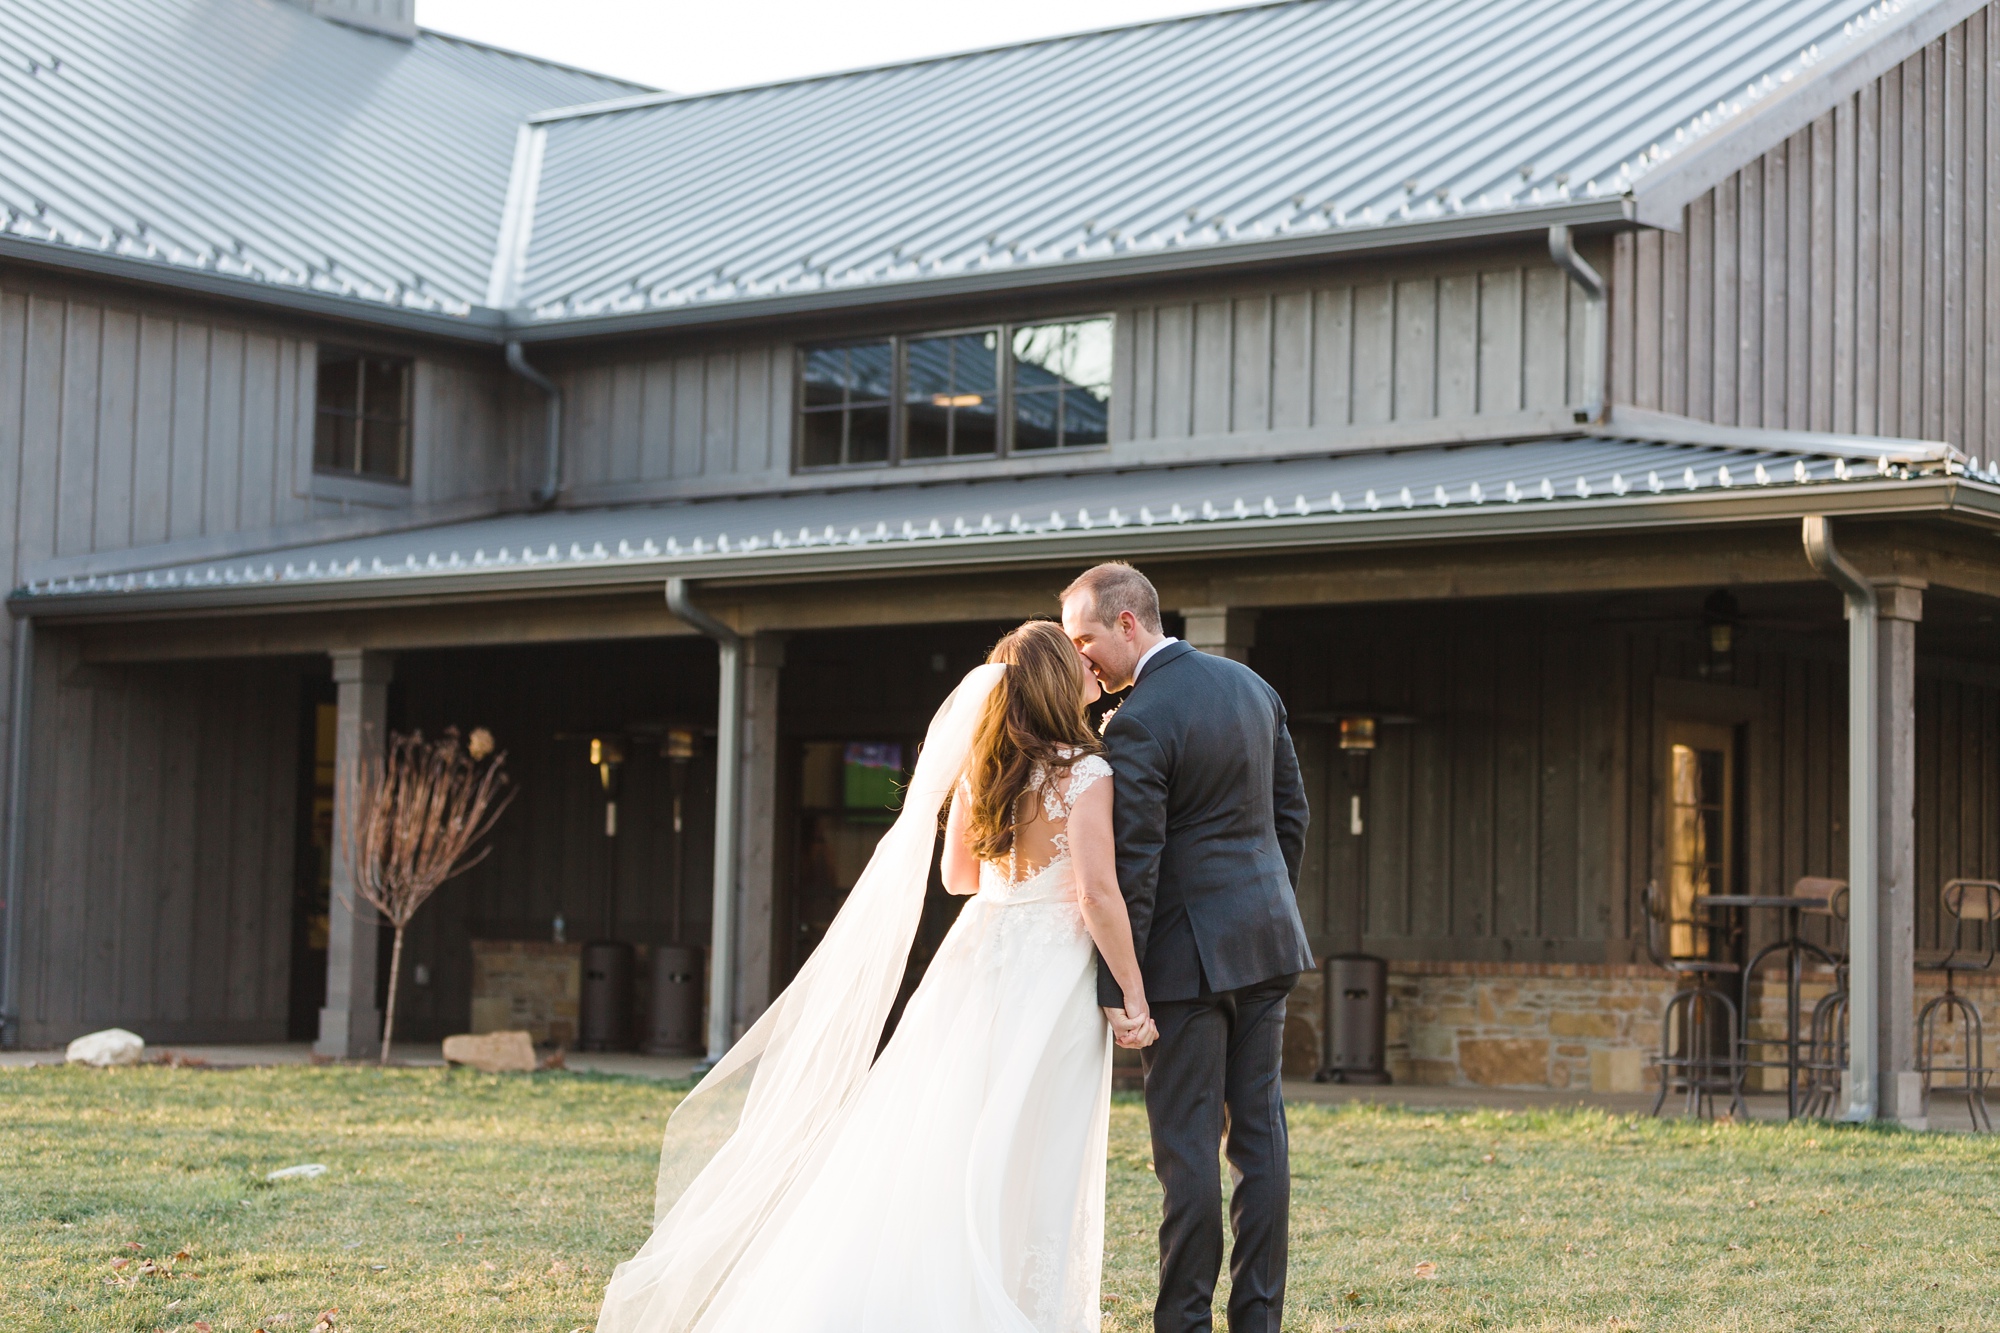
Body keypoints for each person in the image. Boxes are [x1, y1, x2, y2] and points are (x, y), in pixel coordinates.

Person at [597, 619, 1156, 1333]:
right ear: (1055, 680)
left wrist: (1016, 876)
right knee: (1037, 1141)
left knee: (944, 1131)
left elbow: (958, 877)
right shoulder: (1088, 771)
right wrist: (1133, 994)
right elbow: (1097, 893)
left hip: (978, 956)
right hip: (1050, 977)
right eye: (1075, 658)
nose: (1090, 666)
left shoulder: (983, 768)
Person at [1060, 563, 1312, 1333]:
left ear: (1128, 623)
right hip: (1267, 944)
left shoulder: (1136, 720)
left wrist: (1118, 984)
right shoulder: (1252, 687)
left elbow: (1135, 866)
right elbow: (1291, 816)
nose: (1082, 660)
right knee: (1261, 1136)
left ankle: (1183, 1322)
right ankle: (1258, 1320)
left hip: (1184, 963)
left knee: (1188, 1150)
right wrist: (1264, 910)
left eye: (1086, 638)